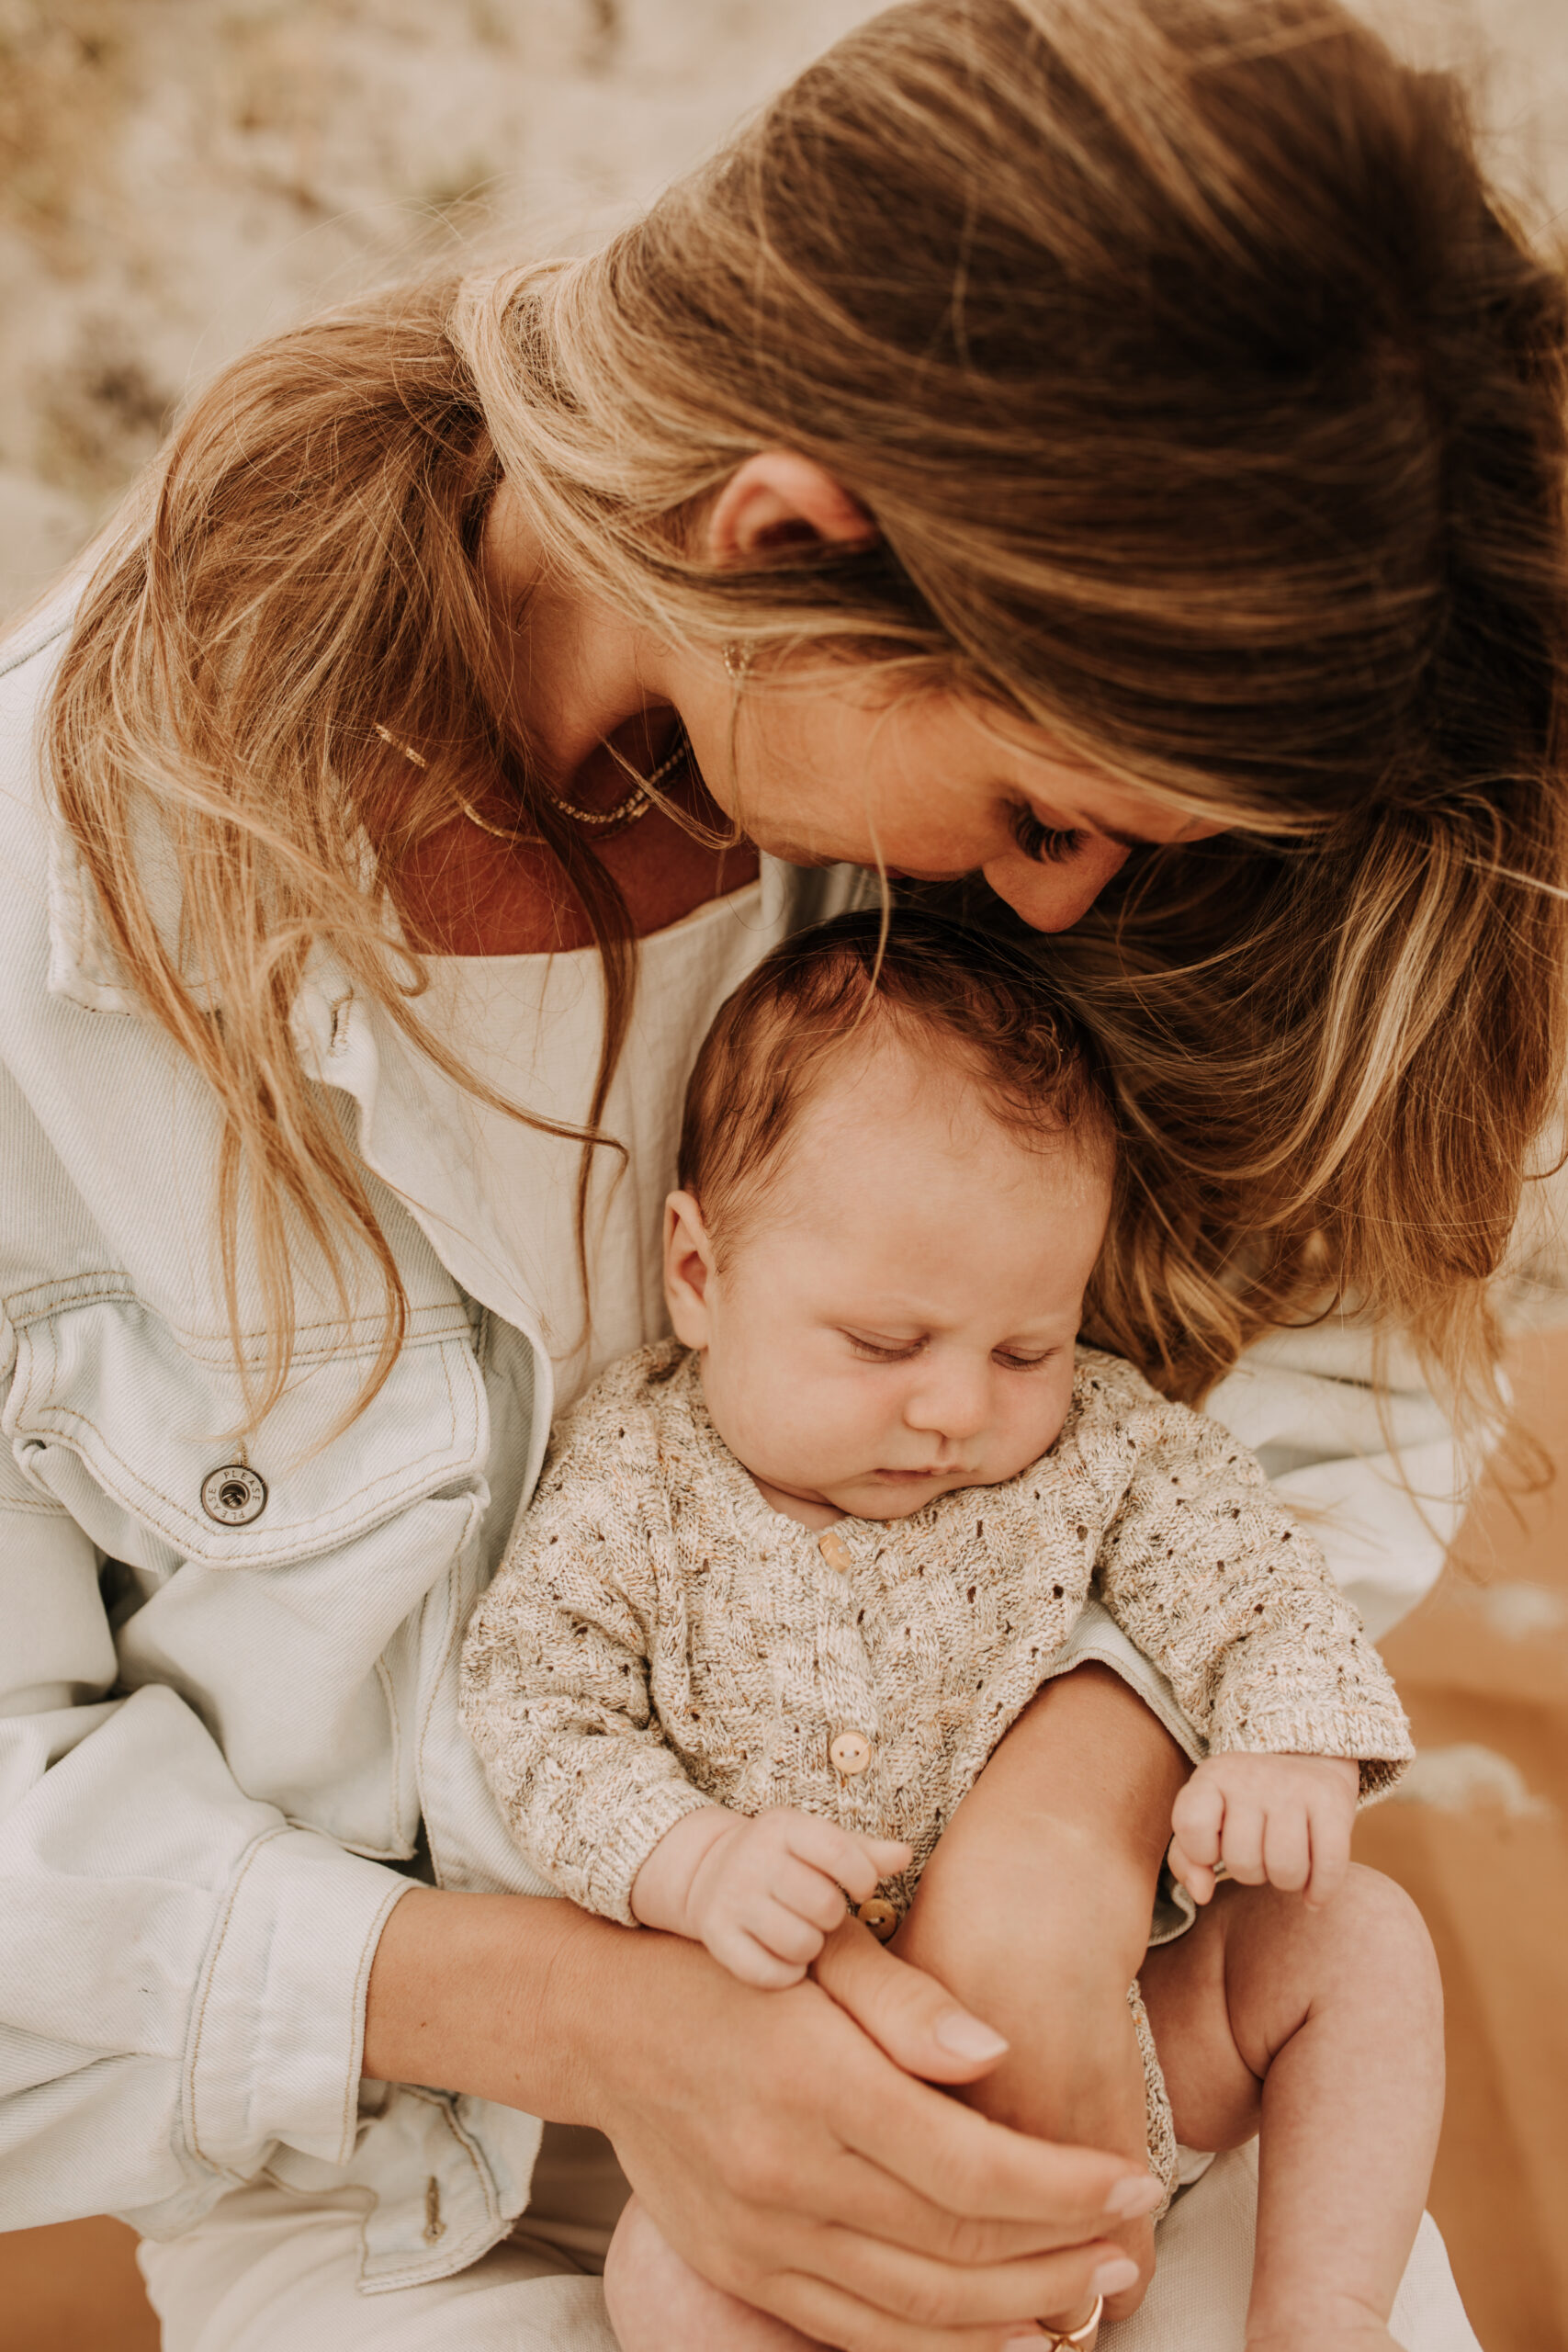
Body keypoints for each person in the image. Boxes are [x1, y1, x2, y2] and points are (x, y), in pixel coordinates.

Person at [0, 0, 1560, 2345]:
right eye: (1035, 806)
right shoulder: (48, 953)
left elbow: (1332, 1360)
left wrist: (1068, 1797)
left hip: (1078, 2055)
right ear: (784, 539)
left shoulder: (1086, 845)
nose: (1057, 911)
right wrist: (619, 2021)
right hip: (389, 2192)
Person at [460, 911, 1433, 2352]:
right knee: (665, 2285)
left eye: (1024, 1347)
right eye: (883, 1344)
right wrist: (691, 1858)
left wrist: (1285, 1743)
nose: (958, 1410)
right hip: (805, 2130)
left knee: (1353, 1940)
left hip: (1112, 2059)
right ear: (700, 1275)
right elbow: (537, 1709)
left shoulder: (1095, 1440)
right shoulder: (631, 1484)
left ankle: (1324, 2313)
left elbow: (1249, 1574)